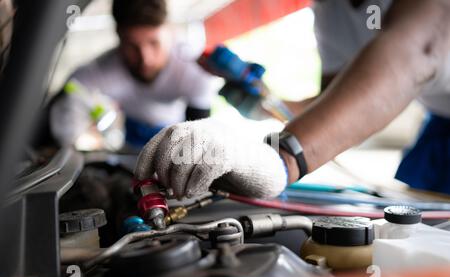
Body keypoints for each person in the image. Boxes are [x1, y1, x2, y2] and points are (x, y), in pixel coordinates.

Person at [135, 0, 450, 199]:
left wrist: (280, 158)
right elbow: (336, 102)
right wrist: (268, 102)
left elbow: (416, 53)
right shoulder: (331, 10)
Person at [50, 0, 216, 149]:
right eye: (133, 46)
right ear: (118, 35)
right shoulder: (99, 70)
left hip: (175, 136)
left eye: (153, 42)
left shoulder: (194, 68)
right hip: (129, 140)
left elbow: (199, 140)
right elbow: (66, 100)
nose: (145, 59)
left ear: (169, 31)